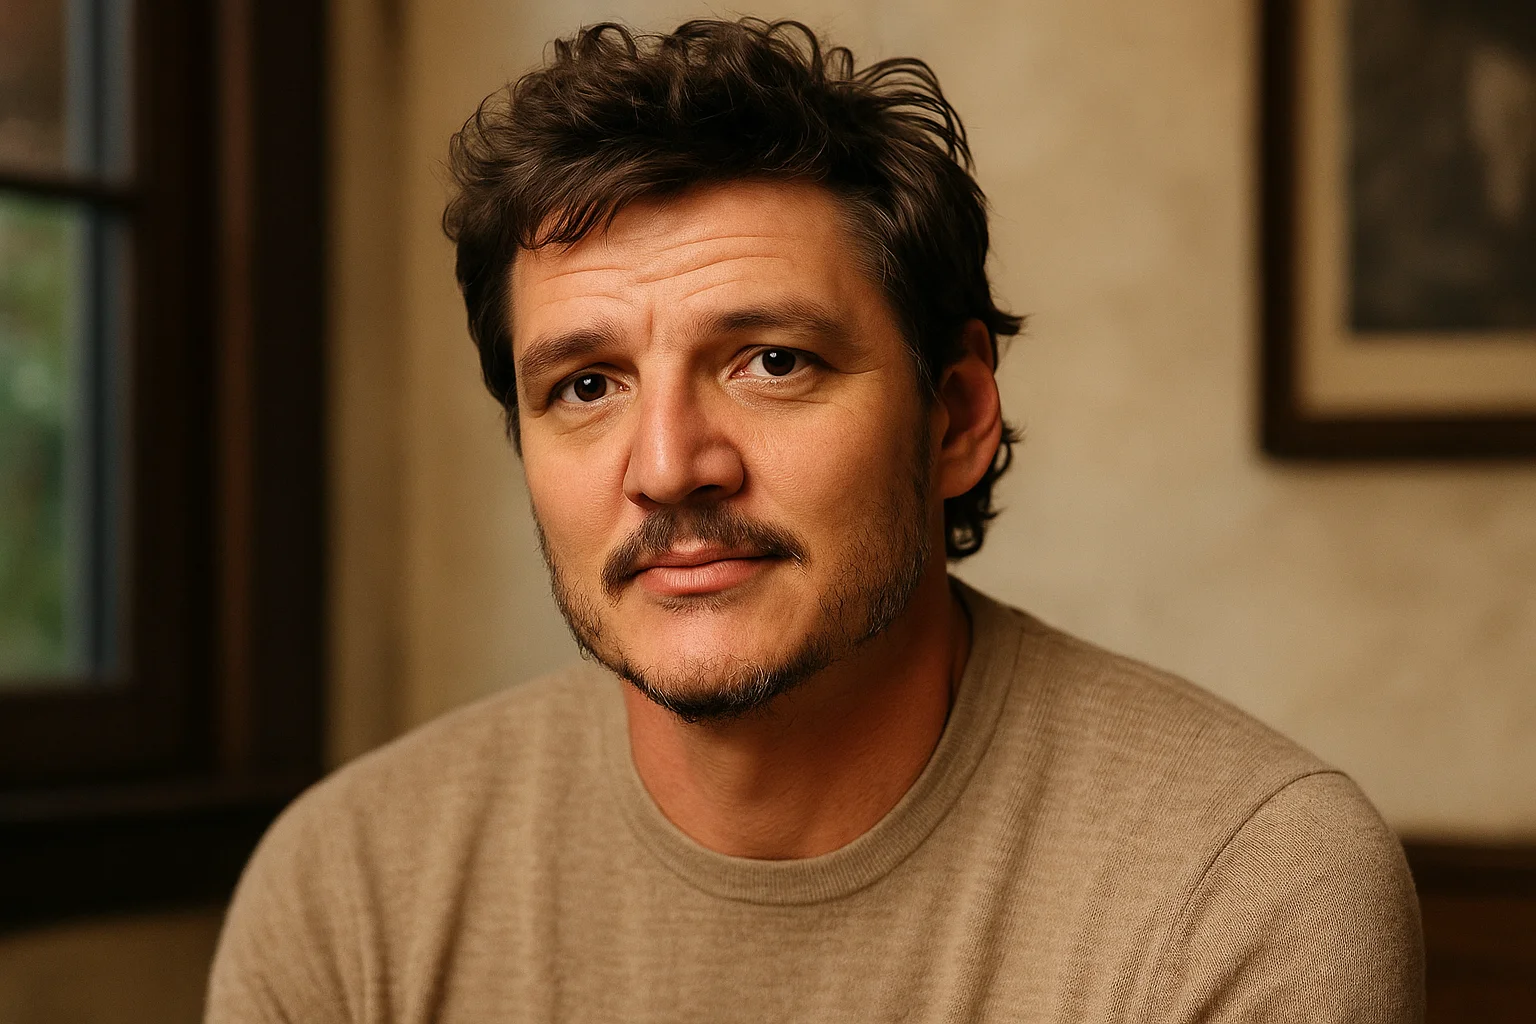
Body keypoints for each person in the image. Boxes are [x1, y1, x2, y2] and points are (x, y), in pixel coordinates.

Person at [206, 18, 1424, 1023]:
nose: (671, 466)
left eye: (772, 360)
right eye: (585, 385)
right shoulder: (350, 890)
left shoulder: (1247, 881)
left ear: (953, 418)